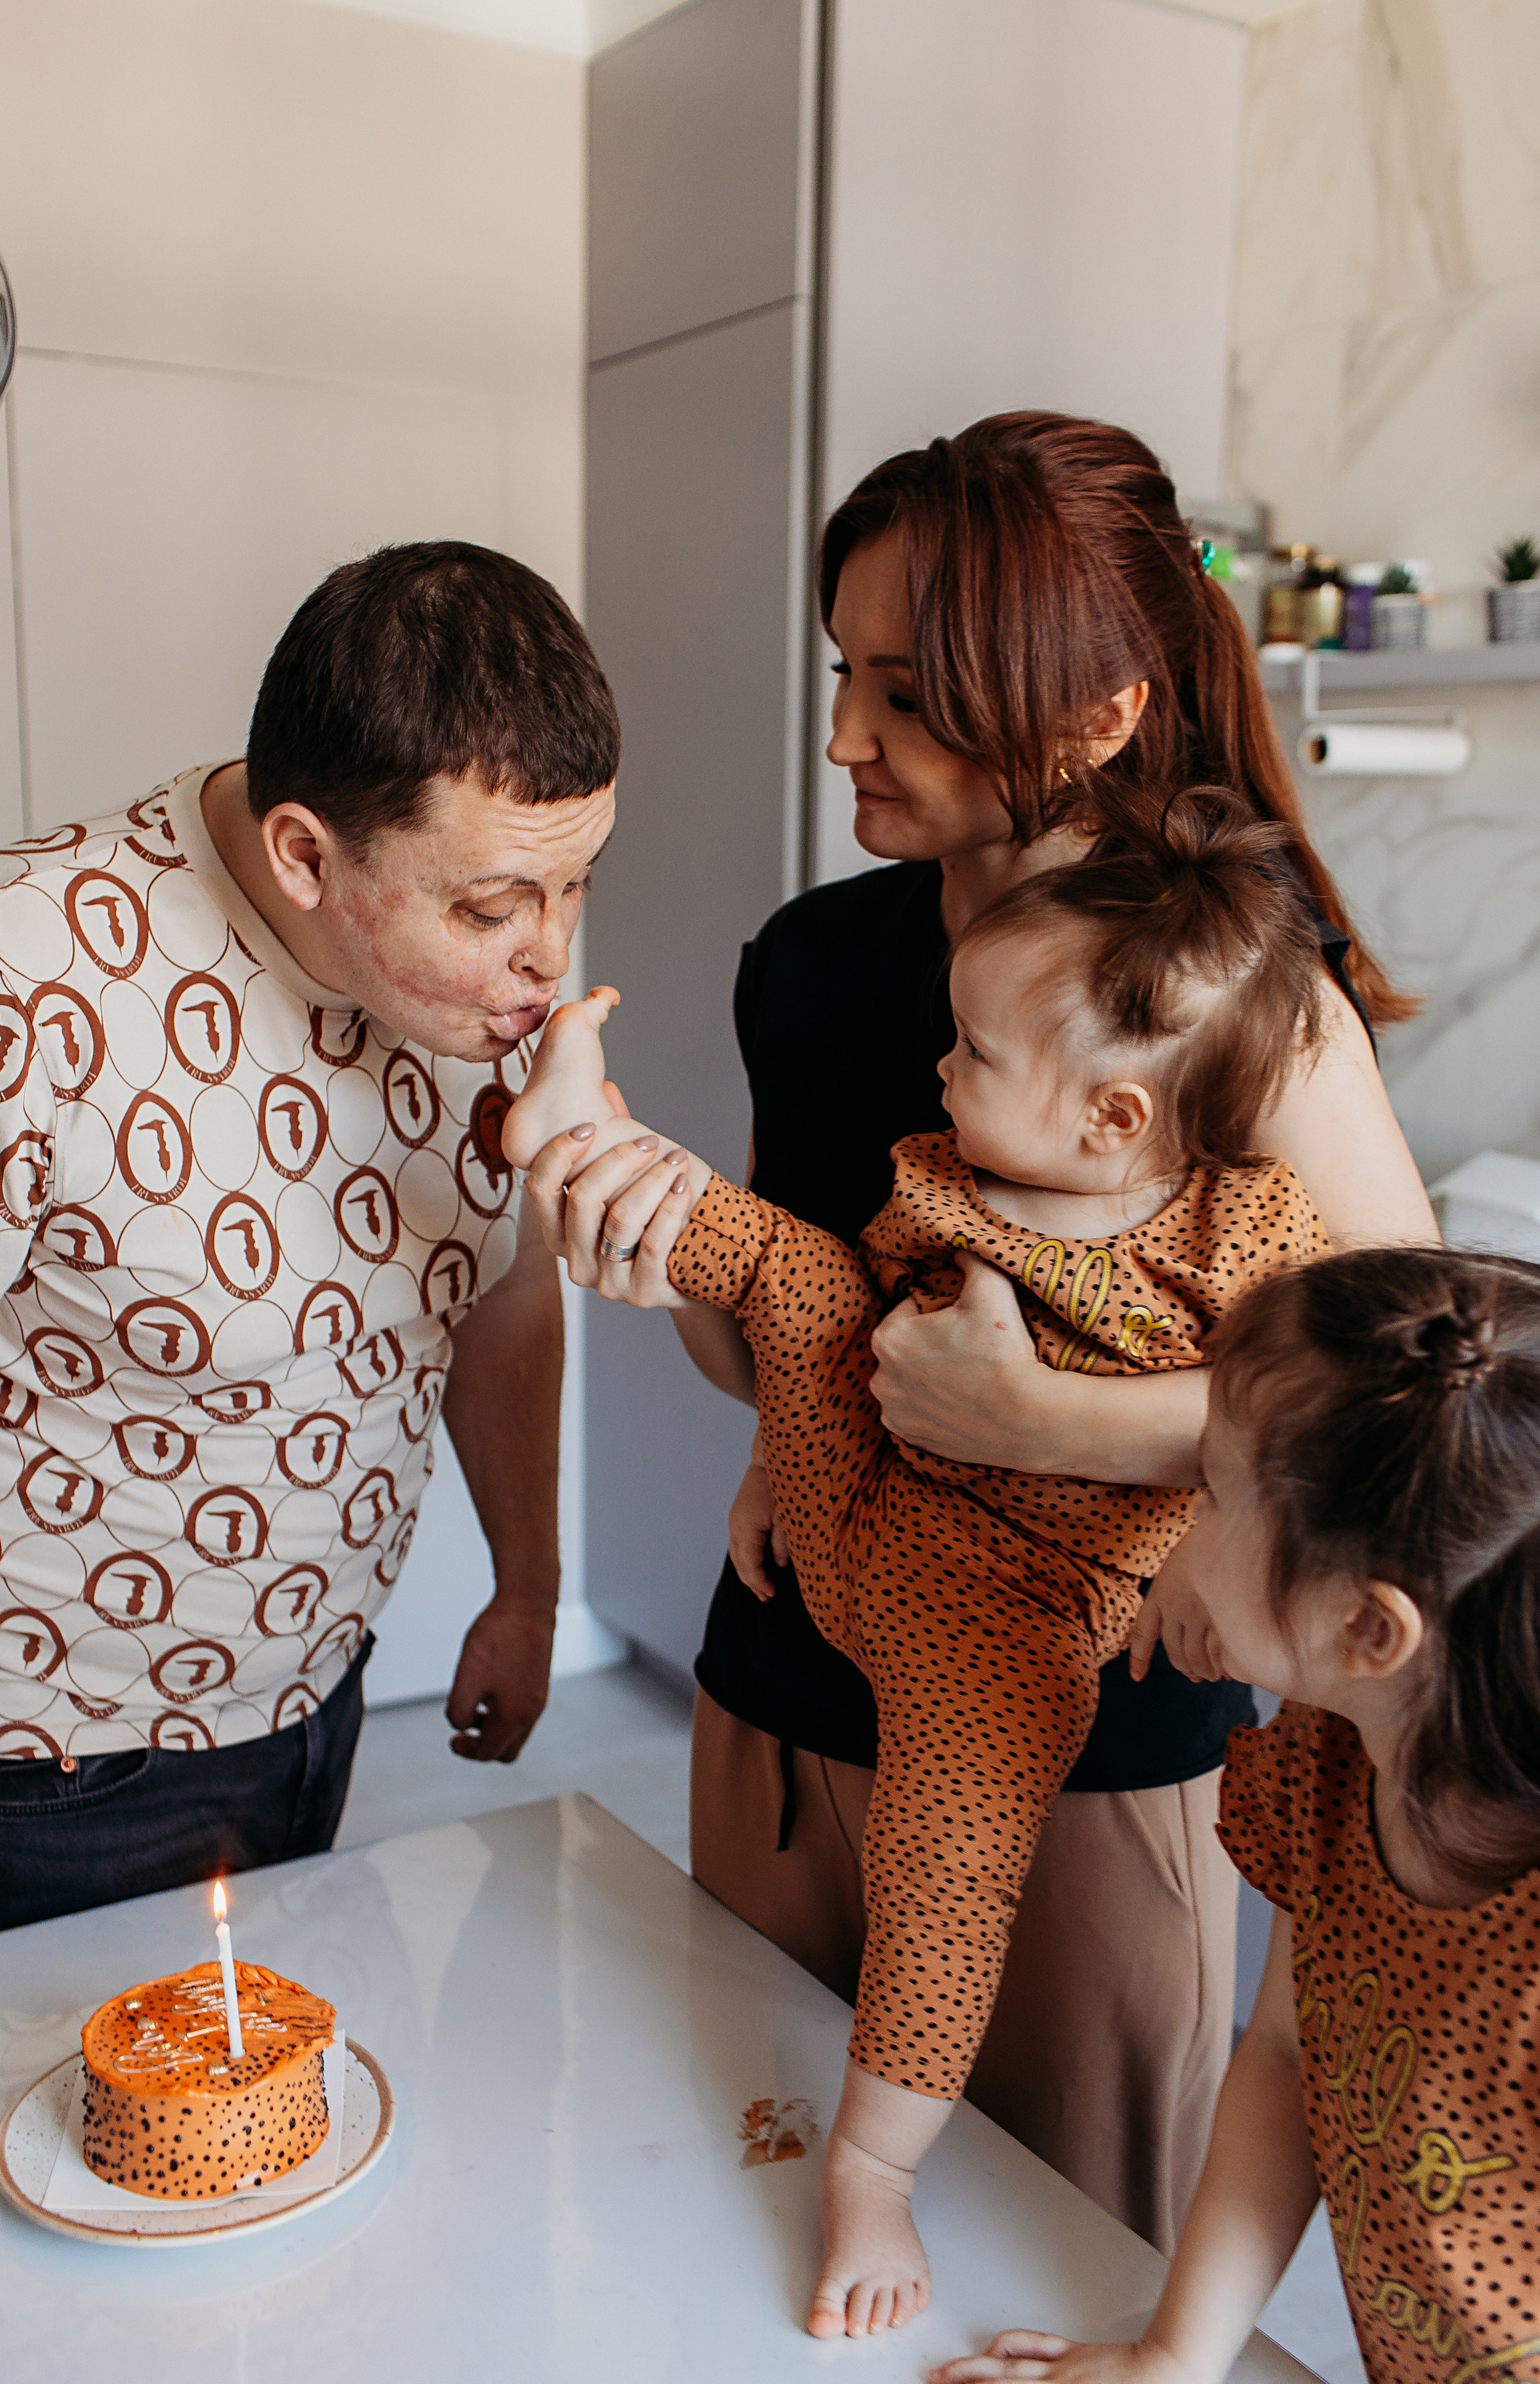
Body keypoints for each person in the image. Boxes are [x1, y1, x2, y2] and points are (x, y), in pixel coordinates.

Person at [526, 413, 1438, 2252]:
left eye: (912, 693)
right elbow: (779, 1342)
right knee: (729, 2221)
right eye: (844, 676)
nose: (848, 736)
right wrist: (662, 1261)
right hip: (781, 1706)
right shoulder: (815, 960)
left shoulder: (1237, 999)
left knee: (1059, 2268)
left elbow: (1407, 1410)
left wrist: (1048, 1424)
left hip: (1093, 1759)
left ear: (1100, 708)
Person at [510, 799, 1331, 2338]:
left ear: (1109, 1119)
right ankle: (577, 1138)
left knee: (941, 1893)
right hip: (849, 1516)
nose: (940, 1069)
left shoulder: (1249, 1237)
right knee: (790, 1258)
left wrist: (1194, 1563)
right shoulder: (945, 1173)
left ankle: (869, 2172)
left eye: (973, 1052)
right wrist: (781, 1449)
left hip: (1002, 1634)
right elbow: (826, 1321)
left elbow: (1277, 1430)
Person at [0, 540, 619, 1929]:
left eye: (575, 883)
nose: (550, 952)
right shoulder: (30, 982)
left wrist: (531, 1589)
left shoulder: (491, 1005)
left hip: (317, 1695)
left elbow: (501, 1289)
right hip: (58, 1767)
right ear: (301, 855)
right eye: (492, 907)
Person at [934, 1245, 1540, 2384]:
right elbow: (1286, 2052)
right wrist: (1177, 2355)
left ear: (1369, 1633)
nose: (1183, 1518)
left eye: (1219, 1491)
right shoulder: (1336, 1766)